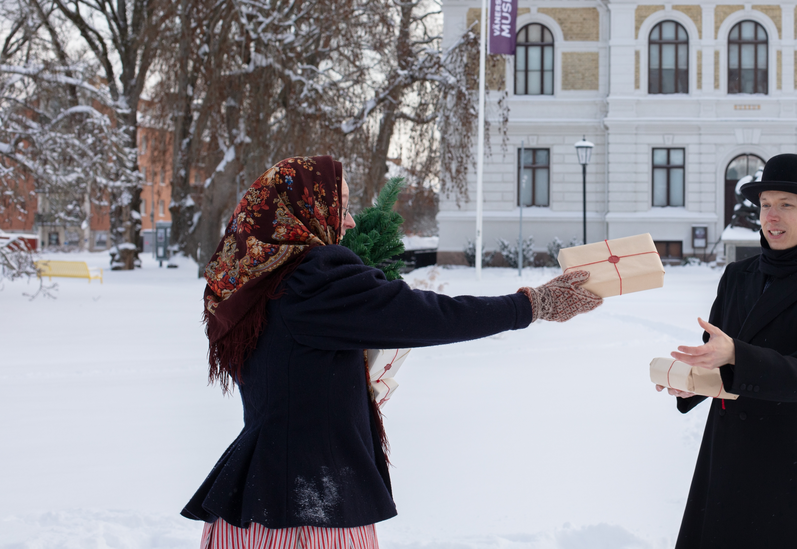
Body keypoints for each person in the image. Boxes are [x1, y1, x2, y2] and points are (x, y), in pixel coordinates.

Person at [182, 156, 600, 546]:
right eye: (341, 207)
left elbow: (292, 377)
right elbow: (428, 316)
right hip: (307, 512)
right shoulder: (311, 280)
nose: (349, 222)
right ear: (302, 210)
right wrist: (531, 305)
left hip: (257, 505)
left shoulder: (251, 282)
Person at [658, 153, 797, 549]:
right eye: (766, 205)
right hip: (727, 450)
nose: (772, 216)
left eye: (786, 205)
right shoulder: (737, 275)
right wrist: (692, 383)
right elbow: (717, 355)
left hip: (790, 457)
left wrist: (736, 354)